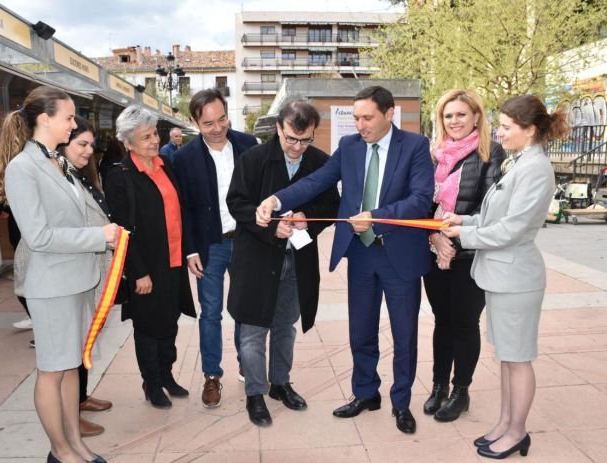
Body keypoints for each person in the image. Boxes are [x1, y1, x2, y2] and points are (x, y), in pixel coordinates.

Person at [256, 86, 434, 435]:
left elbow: (421, 199)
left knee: (404, 335)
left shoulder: (415, 146)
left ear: (389, 114)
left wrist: (377, 215)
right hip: (362, 254)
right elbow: (316, 181)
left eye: (367, 117)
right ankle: (366, 393)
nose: (360, 125)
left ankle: (401, 403)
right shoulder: (350, 147)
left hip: (399, 255)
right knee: (361, 331)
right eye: (355, 118)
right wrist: (276, 200)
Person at [0, 86, 117, 463]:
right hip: (50, 287)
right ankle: (60, 451)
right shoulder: (22, 168)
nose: (72, 124)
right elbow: (38, 236)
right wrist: (98, 236)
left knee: (69, 369)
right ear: (44, 119)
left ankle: (74, 442)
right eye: (67, 117)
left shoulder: (57, 163)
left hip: (76, 280)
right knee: (52, 370)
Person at [442, 95, 568, 459]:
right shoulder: (520, 162)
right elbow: (494, 215)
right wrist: (462, 220)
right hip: (500, 276)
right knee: (508, 358)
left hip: (516, 278)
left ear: (529, 131)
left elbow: (512, 229)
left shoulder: (535, 168)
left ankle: (517, 431)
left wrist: (463, 236)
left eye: (506, 127)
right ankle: (504, 424)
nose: (498, 133)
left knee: (518, 357)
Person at [226, 100, 340, 426]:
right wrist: (268, 225)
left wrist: (310, 218)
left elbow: (332, 203)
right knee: (252, 329)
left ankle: (280, 383)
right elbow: (237, 202)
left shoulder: (321, 163)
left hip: (297, 258)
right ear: (279, 128)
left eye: (305, 140)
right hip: (258, 257)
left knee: (285, 327)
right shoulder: (254, 159)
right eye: (291, 138)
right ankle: (255, 393)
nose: (297, 147)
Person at [104, 106, 196, 410]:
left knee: (169, 322)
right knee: (147, 327)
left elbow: (180, 211)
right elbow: (122, 231)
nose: (154, 141)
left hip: (173, 261)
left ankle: (167, 376)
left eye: (154, 133)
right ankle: (152, 383)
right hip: (146, 266)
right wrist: (138, 271)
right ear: (129, 143)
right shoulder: (120, 177)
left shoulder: (166, 165)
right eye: (145, 137)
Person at [422, 89, 505, 422]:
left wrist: (454, 238)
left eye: (460, 114)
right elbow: (422, 203)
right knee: (442, 321)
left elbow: (490, 208)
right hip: (434, 251)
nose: (454, 121)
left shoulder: (491, 153)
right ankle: (439, 386)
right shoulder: (432, 155)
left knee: (464, 323)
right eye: (448, 115)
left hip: (471, 254)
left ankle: (461, 391)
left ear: (476, 118)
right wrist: (433, 235)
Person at [172, 88, 258, 408]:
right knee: (211, 314)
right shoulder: (184, 158)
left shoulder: (249, 145)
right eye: (208, 123)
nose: (218, 127)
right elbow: (184, 209)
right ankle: (212, 376)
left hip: (246, 242)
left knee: (244, 310)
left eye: (222, 118)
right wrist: (190, 250)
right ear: (195, 122)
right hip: (209, 247)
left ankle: (246, 365)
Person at [55, 117, 115, 437]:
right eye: (82, 143)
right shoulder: (58, 177)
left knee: (84, 342)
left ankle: (80, 398)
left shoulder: (81, 175)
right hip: (68, 275)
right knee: (69, 352)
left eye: (92, 145)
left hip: (87, 272)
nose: (89, 151)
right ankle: (70, 417)